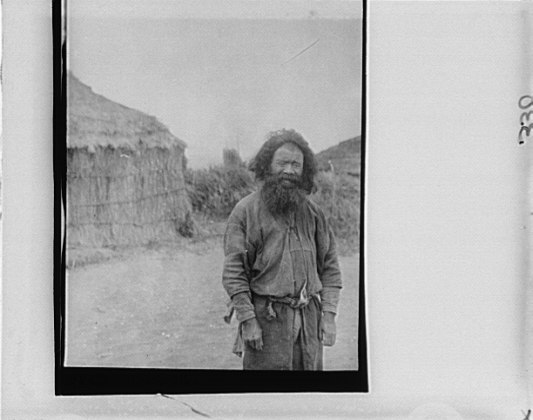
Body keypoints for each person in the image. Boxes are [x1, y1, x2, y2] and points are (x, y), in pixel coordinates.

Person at [222, 129, 342, 370]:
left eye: (296, 164)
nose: (289, 170)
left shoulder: (314, 214)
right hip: (267, 323)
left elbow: (330, 269)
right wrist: (248, 320)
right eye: (282, 163)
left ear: (304, 170)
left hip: (309, 322)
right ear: (267, 166)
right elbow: (235, 274)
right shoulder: (245, 211)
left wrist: (328, 316)